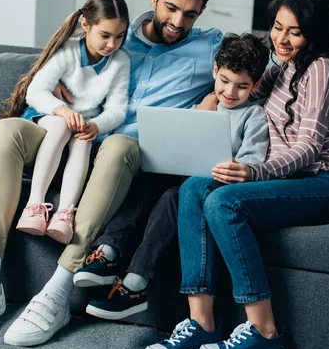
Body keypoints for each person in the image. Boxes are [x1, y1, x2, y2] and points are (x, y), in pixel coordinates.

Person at [0, 0, 222, 348]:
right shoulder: (114, 33)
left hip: (120, 157)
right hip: (66, 138)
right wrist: (58, 107)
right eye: (171, 8)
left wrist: (215, 96)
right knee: (7, 130)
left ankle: (57, 293)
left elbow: (257, 75)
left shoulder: (208, 47)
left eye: (190, 15)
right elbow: (52, 76)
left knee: (118, 145)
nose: (178, 22)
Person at [146, 0, 329, 349]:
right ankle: (202, 322)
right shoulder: (282, 66)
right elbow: (238, 86)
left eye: (294, 31)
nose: (281, 38)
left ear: (314, 33)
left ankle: (265, 333)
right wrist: (208, 99)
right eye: (278, 27)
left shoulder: (322, 67)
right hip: (293, 178)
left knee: (224, 203)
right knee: (193, 188)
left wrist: (254, 172)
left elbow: (310, 147)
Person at [81, 33, 271, 321]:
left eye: (242, 86)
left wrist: (236, 167)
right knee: (147, 179)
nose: (231, 92)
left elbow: (251, 164)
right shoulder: (204, 105)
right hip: (182, 176)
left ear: (255, 84)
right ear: (215, 71)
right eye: (225, 81)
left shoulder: (253, 116)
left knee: (173, 197)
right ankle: (108, 250)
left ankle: (135, 284)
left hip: (212, 189)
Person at [5, 0, 130, 245]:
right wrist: (62, 110)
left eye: (119, 36)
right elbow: (35, 92)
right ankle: (34, 205)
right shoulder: (67, 51)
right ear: (86, 25)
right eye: (105, 36)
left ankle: (64, 213)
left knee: (83, 139)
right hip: (50, 115)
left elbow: (117, 109)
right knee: (62, 126)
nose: (112, 44)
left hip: (85, 124)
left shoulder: (120, 62)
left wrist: (96, 125)